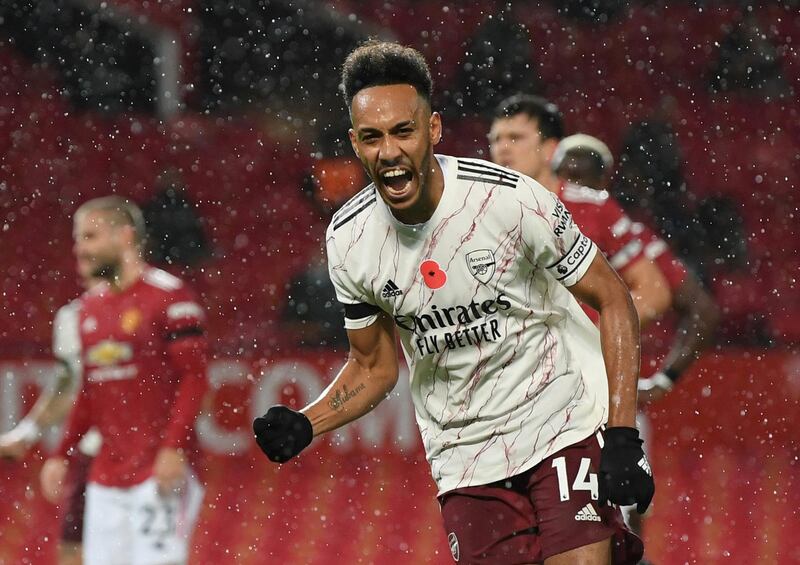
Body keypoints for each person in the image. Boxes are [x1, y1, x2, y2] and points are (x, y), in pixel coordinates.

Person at [253, 40, 653, 564]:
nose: (389, 151)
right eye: (372, 137)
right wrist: (309, 422)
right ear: (355, 143)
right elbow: (373, 366)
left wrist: (623, 435)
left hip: (560, 422)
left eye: (403, 131)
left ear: (433, 130)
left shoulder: (508, 200)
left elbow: (614, 299)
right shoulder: (348, 240)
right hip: (465, 458)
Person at [551, 133, 720, 562]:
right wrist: (660, 378)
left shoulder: (539, 217)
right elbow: (702, 309)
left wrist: (659, 376)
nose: (576, 192)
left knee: (581, 529)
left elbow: (702, 311)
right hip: (608, 399)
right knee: (613, 528)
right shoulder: (628, 233)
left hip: (583, 397)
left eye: (581, 181)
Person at [39, 196, 208, 565]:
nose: (80, 248)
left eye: (90, 237)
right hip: (106, 478)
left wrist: (173, 447)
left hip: (157, 472)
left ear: (125, 236)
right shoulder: (87, 310)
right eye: (79, 239)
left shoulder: (168, 297)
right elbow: (90, 394)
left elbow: (194, 378)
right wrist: (62, 453)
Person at [488, 96, 672, 329]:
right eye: (495, 139)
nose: (502, 148)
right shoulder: (477, 211)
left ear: (550, 150)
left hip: (576, 363)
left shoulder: (595, 208)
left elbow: (653, 292)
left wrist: (589, 336)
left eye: (515, 138)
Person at [0, 279, 99, 565]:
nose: (83, 256)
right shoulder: (72, 317)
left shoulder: (158, 304)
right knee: (72, 550)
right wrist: (29, 434)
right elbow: (69, 385)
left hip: (144, 454)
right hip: (92, 453)